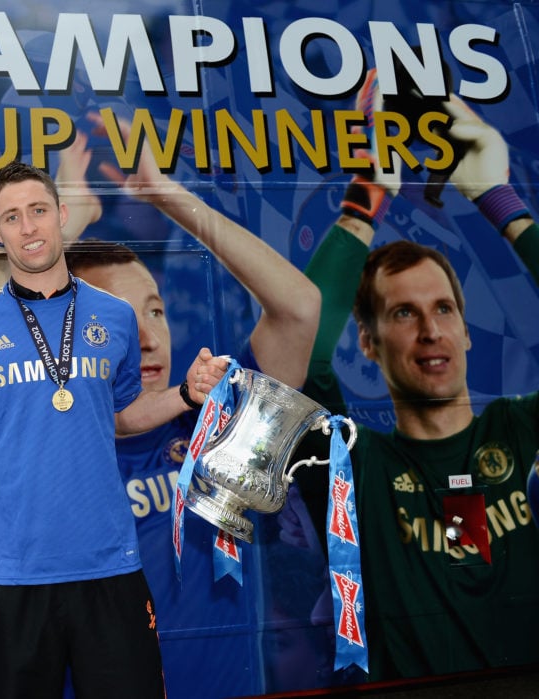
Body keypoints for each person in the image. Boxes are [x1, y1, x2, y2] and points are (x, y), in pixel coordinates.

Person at [0, 161, 228, 699]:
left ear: (61, 216)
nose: (28, 227)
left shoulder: (115, 315)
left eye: (37, 211)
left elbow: (122, 413)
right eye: (12, 217)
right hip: (12, 577)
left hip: (109, 568)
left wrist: (187, 393)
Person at [60, 116, 322, 696]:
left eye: (153, 311)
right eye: (117, 322)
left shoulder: (214, 420)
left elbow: (300, 307)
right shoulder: (43, 438)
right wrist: (59, 228)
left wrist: (165, 194)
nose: (149, 338)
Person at [297, 83, 539, 681]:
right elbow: (302, 351)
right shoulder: (354, 467)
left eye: (444, 310)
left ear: (467, 331)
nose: (431, 329)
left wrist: (498, 198)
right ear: (369, 343)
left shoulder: (524, 429)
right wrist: (366, 200)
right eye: (404, 313)